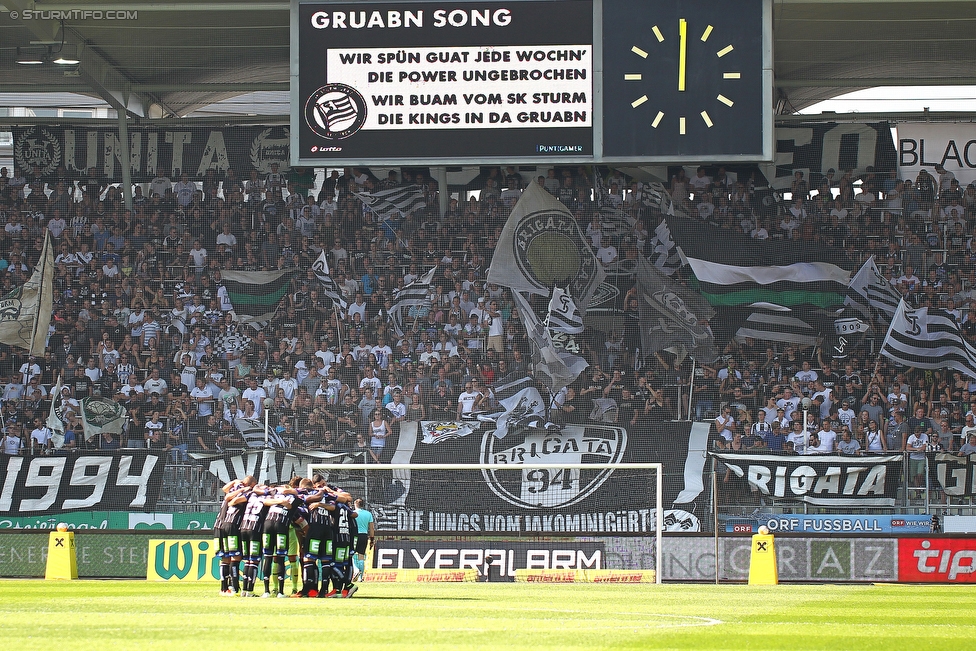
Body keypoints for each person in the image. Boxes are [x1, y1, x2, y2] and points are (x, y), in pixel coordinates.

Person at [352, 497, 375, 582]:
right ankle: (361, 577)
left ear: (355, 505)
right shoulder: (368, 514)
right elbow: (372, 528)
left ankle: (355, 571)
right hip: (364, 536)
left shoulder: (353, 513)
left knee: (351, 555)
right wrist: (372, 539)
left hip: (354, 536)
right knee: (361, 555)